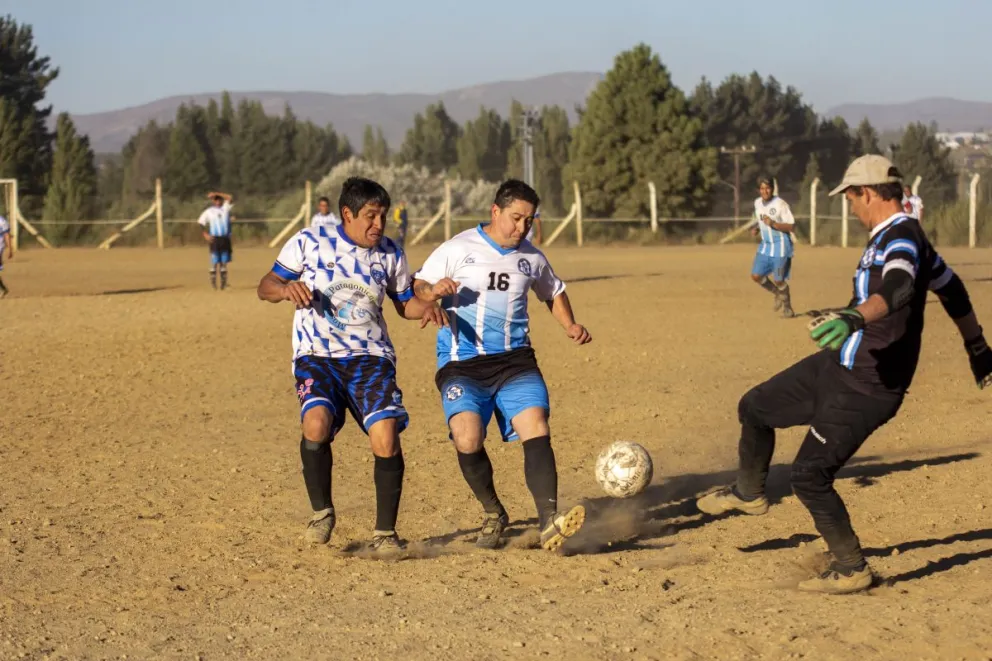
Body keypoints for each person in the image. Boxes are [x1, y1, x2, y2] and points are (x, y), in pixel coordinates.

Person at [697, 155, 992, 594]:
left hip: (868, 386)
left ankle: (852, 566)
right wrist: (978, 347)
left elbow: (898, 287)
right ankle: (748, 492)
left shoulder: (903, 238)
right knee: (755, 406)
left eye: (851, 198)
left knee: (808, 475)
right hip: (839, 365)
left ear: (867, 194)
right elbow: (951, 288)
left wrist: (855, 316)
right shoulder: (891, 237)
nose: (850, 207)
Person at [257, 177, 445, 551]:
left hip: (370, 358)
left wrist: (430, 306)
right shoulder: (310, 242)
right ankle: (322, 512)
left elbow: (404, 303)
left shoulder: (390, 252)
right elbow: (266, 285)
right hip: (317, 355)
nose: (379, 224)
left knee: (386, 437)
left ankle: (385, 535)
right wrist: (283, 290)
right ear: (347, 214)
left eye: (383, 216)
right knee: (315, 424)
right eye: (370, 216)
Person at [411, 179, 592, 552]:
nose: (521, 227)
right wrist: (432, 294)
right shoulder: (458, 248)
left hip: (515, 361)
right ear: (495, 211)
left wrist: (570, 325)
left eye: (528, 220)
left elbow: (553, 291)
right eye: (515, 218)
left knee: (536, 425)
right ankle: (494, 512)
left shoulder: (532, 257)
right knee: (467, 437)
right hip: (462, 362)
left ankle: (549, 522)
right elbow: (417, 287)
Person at [750, 177, 796, 318]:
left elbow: (791, 225)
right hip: (766, 246)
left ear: (772, 189)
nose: (765, 191)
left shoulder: (780, 204)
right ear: (759, 190)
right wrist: (757, 228)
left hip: (781, 246)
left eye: (767, 188)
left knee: (778, 279)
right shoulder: (757, 203)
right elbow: (761, 219)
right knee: (756, 276)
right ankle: (777, 294)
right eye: (762, 188)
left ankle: (787, 308)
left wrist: (774, 224)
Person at [197, 192, 234, 290]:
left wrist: (216, 193)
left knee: (224, 262)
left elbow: (229, 197)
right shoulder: (209, 211)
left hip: (225, 238)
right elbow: (201, 223)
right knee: (214, 261)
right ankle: (213, 284)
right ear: (213, 201)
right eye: (215, 199)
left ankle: (223, 284)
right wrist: (205, 234)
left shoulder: (225, 208)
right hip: (215, 239)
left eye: (219, 199)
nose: (218, 201)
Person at [0, 214, 11, 298]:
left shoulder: (2, 222)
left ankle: (3, 289)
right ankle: (3, 289)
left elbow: (7, 235)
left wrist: (10, 249)